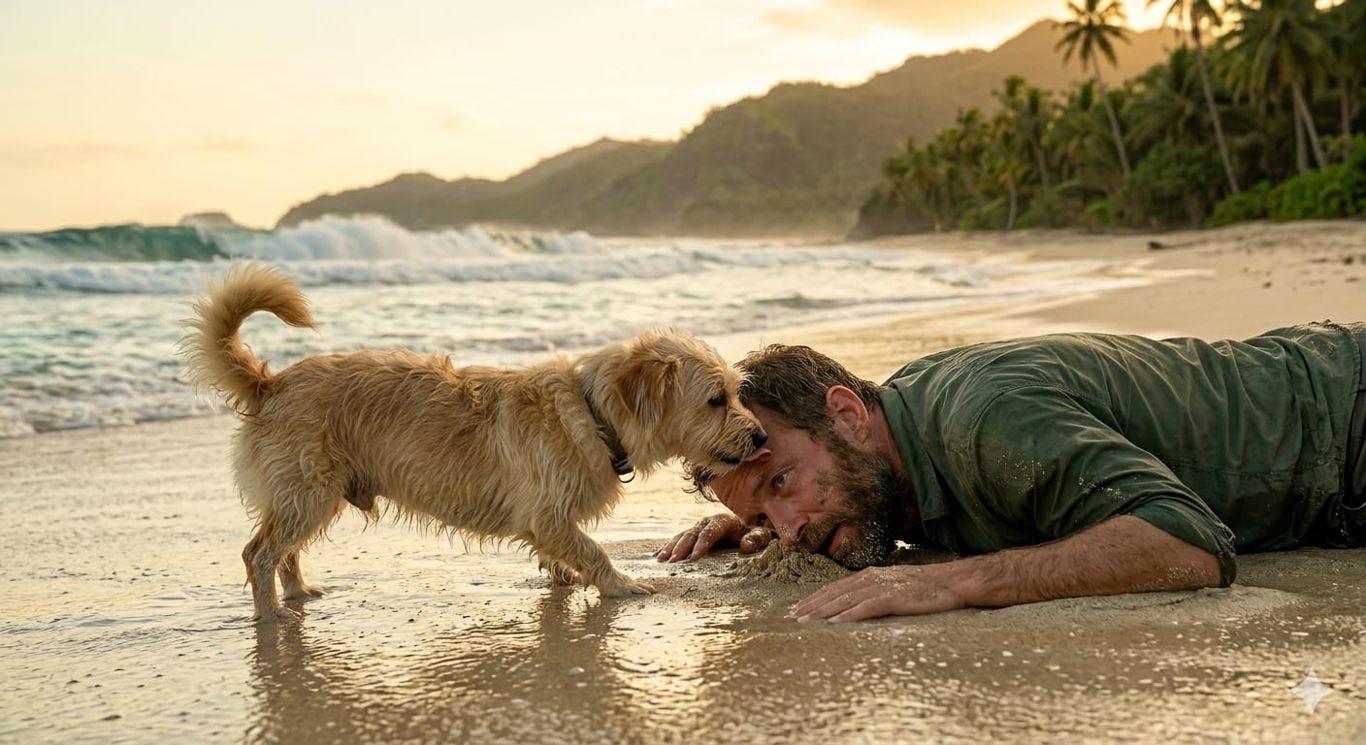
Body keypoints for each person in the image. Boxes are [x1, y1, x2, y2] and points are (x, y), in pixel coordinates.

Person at [656, 322, 1366, 622]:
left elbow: (1190, 543)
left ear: (845, 413)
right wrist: (760, 519)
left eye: (781, 481)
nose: (789, 529)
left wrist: (952, 580)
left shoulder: (985, 419)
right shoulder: (887, 451)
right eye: (762, 515)